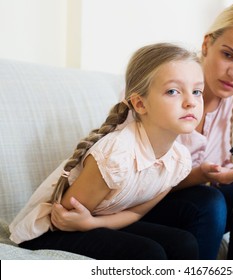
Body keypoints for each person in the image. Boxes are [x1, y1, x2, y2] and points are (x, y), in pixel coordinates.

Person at [49, 3, 233, 260]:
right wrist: (199, 175)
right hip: (142, 202)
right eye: (228, 55)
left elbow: (225, 171)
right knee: (209, 200)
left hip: (186, 199)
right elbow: (135, 181)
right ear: (207, 44)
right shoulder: (160, 90)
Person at [9, 42, 205, 260]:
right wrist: (87, 223)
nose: (191, 102)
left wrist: (93, 223)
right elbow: (64, 216)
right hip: (51, 229)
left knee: (184, 243)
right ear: (140, 104)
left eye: (197, 91)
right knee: (149, 253)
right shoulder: (117, 155)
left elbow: (136, 212)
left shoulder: (178, 160)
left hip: (95, 220)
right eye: (173, 91)